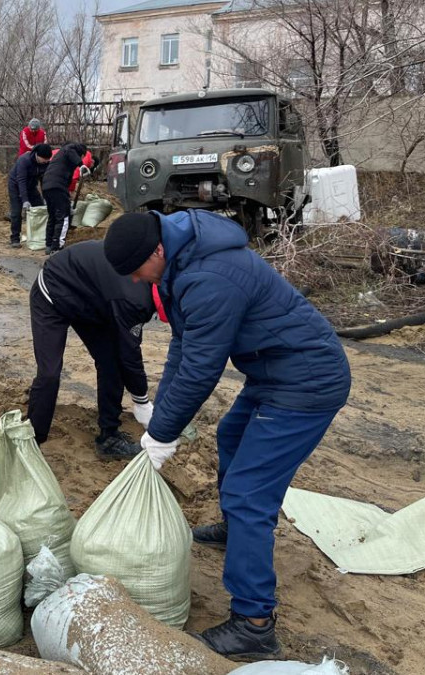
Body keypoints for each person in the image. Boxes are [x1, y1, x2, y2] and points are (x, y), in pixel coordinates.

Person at [103, 210, 351, 661]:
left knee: (248, 493)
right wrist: (161, 418)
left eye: (138, 271)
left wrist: (161, 436)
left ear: (157, 251)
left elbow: (202, 370)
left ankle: (254, 624)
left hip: (306, 382)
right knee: (231, 436)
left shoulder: (210, 276)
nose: (138, 281)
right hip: (274, 372)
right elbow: (183, 345)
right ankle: (236, 528)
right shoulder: (180, 261)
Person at [28, 240, 158, 457]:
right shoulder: (136, 299)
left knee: (111, 362)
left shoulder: (148, 282)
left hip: (91, 299)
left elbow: (123, 353)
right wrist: (142, 401)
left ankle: (109, 437)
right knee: (49, 374)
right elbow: (131, 353)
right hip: (53, 290)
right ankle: (32, 441)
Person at [41, 142, 89, 254]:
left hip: (47, 186)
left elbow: (68, 179)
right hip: (57, 187)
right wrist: (81, 164)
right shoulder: (69, 149)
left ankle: (48, 245)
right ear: (81, 153)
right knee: (62, 216)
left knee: (52, 216)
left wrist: (67, 198)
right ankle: (56, 246)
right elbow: (69, 150)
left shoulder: (62, 159)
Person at [7, 143, 53, 248]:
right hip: (16, 185)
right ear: (37, 155)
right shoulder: (24, 160)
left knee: (39, 207)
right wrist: (25, 200)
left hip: (32, 186)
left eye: (48, 159)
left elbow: (44, 181)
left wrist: (46, 196)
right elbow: (21, 181)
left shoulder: (46, 163)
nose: (46, 161)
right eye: (44, 159)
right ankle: (15, 238)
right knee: (16, 212)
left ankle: (38, 236)